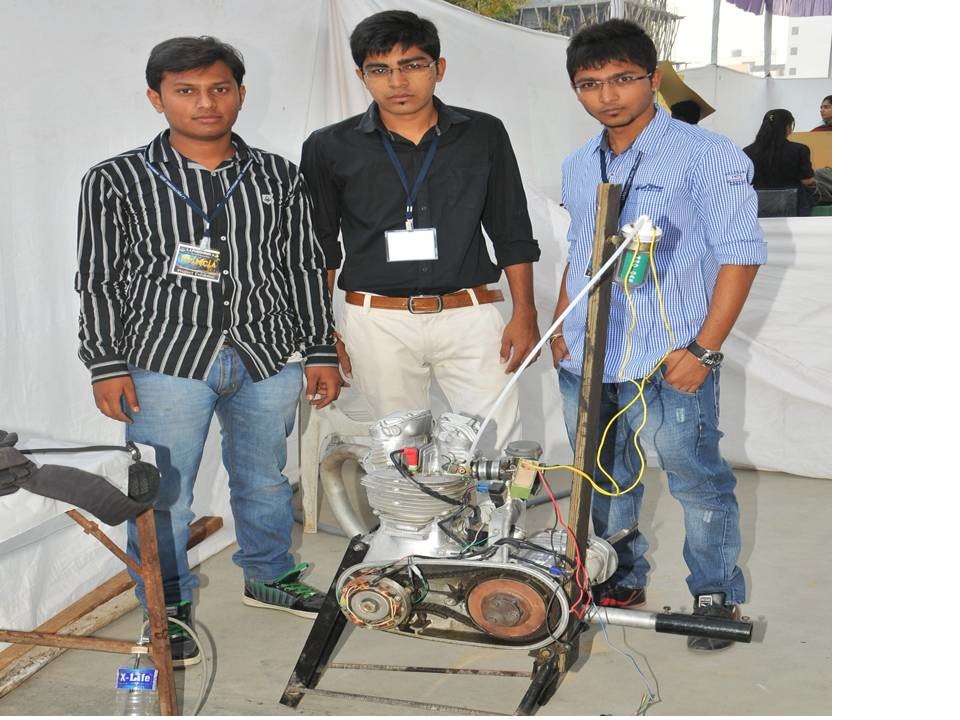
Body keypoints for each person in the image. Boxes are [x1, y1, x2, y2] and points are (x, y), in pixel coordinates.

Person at [75, 36, 343, 667]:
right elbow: (99, 278)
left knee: (266, 479)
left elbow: (304, 268)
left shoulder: (278, 176)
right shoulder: (115, 180)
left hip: (266, 353)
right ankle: (165, 607)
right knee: (163, 493)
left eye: (219, 88)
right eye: (186, 91)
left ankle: (268, 575)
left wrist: (319, 350)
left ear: (240, 94)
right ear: (156, 98)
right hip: (165, 359)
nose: (205, 103)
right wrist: (105, 364)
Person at [550, 19, 766, 651]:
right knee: (602, 473)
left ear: (653, 78)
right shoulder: (578, 163)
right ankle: (618, 577)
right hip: (589, 352)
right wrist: (563, 322)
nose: (607, 95)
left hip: (670, 354)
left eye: (623, 78)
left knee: (694, 475)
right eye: (590, 83)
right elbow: (579, 253)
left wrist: (704, 349)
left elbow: (740, 255)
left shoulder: (708, 154)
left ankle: (715, 595)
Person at [299, 10, 540, 451]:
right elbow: (320, 246)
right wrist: (322, 335)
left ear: (438, 68)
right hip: (377, 321)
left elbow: (511, 229)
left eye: (411, 65)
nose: (397, 81)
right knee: (400, 450)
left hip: (469, 314)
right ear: (361, 76)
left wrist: (525, 313)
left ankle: (491, 503)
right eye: (380, 70)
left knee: (493, 444)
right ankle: (411, 503)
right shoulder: (328, 146)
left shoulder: (483, 133)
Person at [743, 108, 817, 215]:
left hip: (757, 207)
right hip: (793, 207)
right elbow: (807, 181)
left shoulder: (747, 151)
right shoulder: (800, 149)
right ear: (787, 127)